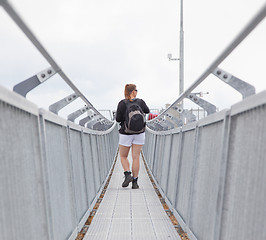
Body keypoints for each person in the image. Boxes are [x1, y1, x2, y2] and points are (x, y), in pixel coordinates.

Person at [116, 84, 150, 189]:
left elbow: (117, 119)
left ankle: (127, 174)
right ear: (133, 92)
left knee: (123, 156)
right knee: (136, 157)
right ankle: (135, 183)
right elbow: (147, 111)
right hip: (140, 133)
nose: (137, 92)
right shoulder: (140, 102)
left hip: (126, 133)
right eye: (136, 90)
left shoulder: (122, 103)